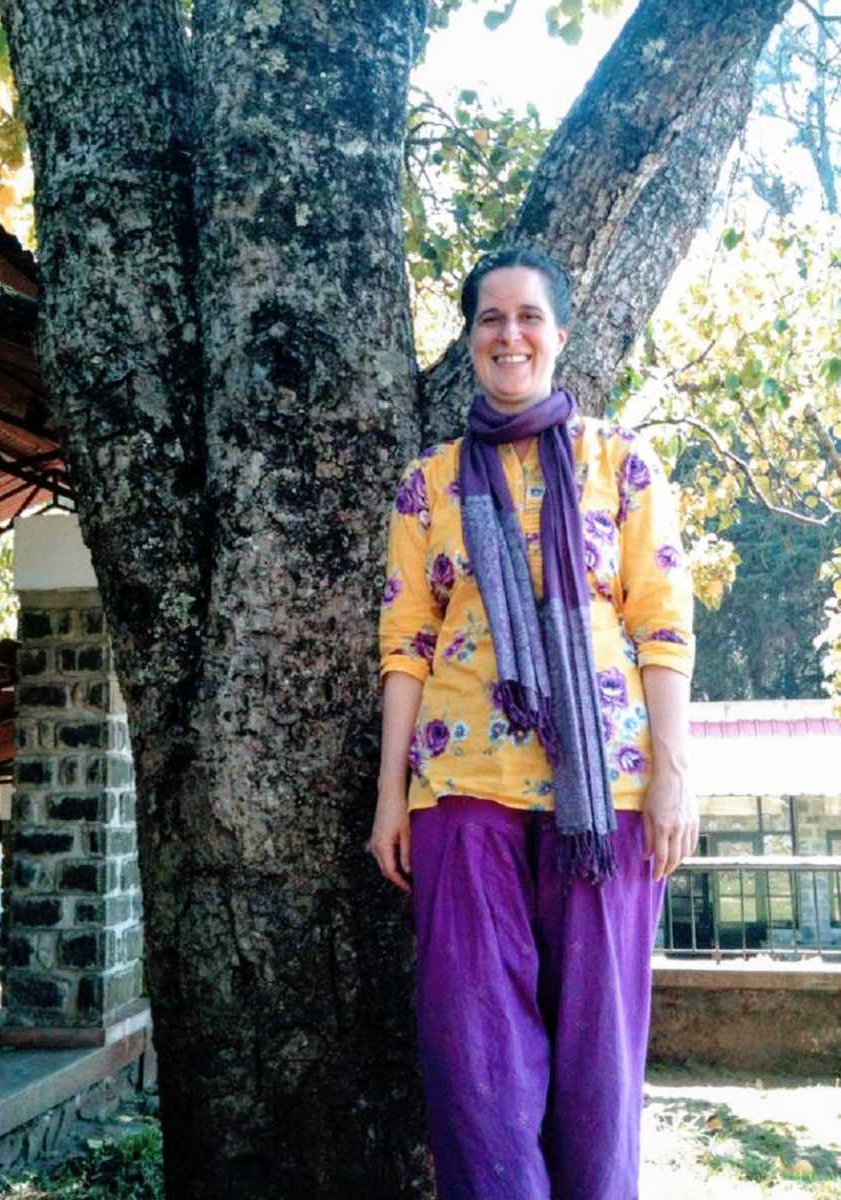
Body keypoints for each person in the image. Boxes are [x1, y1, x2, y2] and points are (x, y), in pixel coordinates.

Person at [369, 245, 697, 1200]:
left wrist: (675, 773)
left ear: (559, 335)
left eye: (527, 316)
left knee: (600, 1063)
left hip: (612, 798)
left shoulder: (621, 463)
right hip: (460, 794)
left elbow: (661, 623)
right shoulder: (428, 485)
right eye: (489, 319)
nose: (509, 334)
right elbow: (406, 646)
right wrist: (390, 795)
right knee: (474, 1065)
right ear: (471, 341)